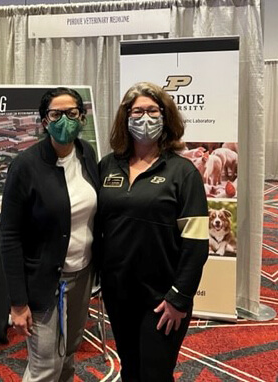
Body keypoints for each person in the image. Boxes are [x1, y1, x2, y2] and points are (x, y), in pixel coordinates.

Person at [98, 82, 209, 381]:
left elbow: (197, 244)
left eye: (152, 110)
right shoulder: (107, 166)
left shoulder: (183, 173)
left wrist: (179, 297)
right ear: (125, 118)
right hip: (119, 293)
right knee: (131, 369)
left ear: (165, 116)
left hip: (163, 299)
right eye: (137, 112)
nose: (144, 118)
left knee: (155, 374)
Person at [0, 87, 99, 381]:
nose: (64, 120)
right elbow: (9, 237)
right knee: (45, 366)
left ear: (82, 117)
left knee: (68, 354)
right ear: (44, 121)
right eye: (56, 114)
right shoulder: (26, 166)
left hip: (82, 276)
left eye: (72, 113)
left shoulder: (86, 154)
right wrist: (18, 304)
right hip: (45, 283)